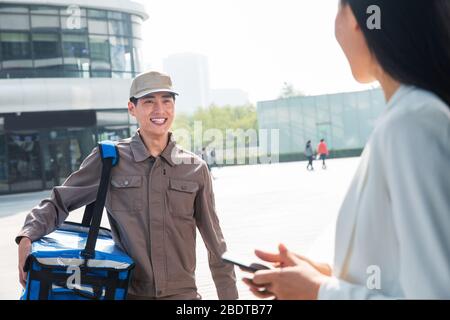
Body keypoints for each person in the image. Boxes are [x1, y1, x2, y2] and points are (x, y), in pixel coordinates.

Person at [244, 0, 450, 299]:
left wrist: (317, 290)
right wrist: (324, 275)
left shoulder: (411, 122)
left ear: (356, 17)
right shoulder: (408, 117)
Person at [17, 71, 238, 300]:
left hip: (183, 296)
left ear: (174, 107)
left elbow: (216, 246)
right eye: (149, 101)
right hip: (129, 294)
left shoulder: (195, 169)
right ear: (132, 109)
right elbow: (58, 201)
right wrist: (26, 236)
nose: (159, 110)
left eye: (166, 101)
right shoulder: (109, 160)